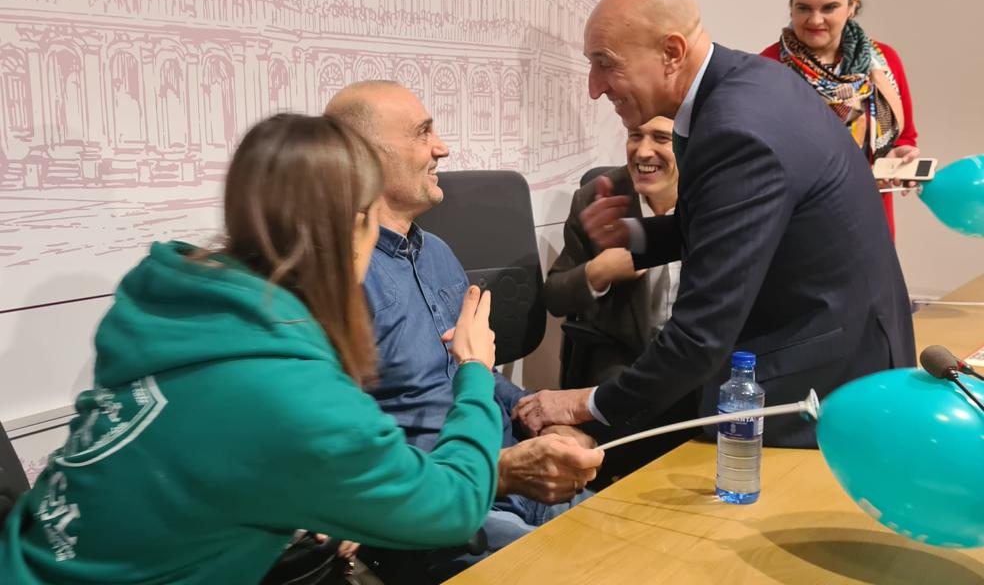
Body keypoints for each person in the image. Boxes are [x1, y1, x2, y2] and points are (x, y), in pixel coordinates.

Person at [0, 114, 505, 584]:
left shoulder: (165, 301)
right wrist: (475, 369)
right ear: (356, 227)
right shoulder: (291, 393)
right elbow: (453, 508)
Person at [512, 0, 915, 449]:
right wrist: (632, 236)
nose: (594, 88)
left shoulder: (736, 130)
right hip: (835, 343)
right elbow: (716, 225)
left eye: (606, 65)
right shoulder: (746, 82)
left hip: (816, 378)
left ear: (672, 51)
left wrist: (586, 405)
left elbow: (699, 338)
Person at [325, 82, 604, 581]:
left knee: (634, 545)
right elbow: (341, 449)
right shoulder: (337, 279)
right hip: (443, 504)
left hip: (511, 473)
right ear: (363, 157)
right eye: (422, 133)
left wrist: (541, 416)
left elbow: (476, 373)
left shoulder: (437, 253)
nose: (442, 148)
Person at [542, 116, 696, 485]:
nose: (643, 151)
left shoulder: (717, 198)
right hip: (623, 362)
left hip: (697, 364)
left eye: (660, 138)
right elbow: (555, 294)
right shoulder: (599, 196)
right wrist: (599, 272)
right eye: (634, 136)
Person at [761, 0, 919, 237]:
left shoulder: (885, 62)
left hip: (870, 225)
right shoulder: (766, 68)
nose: (815, 20)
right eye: (804, 8)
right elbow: (758, 158)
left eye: (828, 7)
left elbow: (905, 136)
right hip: (797, 230)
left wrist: (900, 157)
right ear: (791, 6)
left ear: (852, 5)